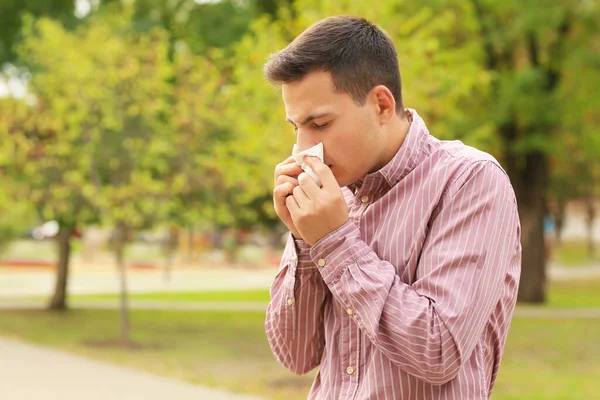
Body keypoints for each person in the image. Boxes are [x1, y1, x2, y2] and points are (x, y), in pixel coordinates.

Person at [265, 15, 522, 400]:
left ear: (382, 105)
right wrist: (305, 240)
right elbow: (296, 355)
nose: (303, 149)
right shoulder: (331, 193)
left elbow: (439, 350)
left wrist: (334, 242)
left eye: (319, 124)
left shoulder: (470, 180)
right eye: (295, 127)